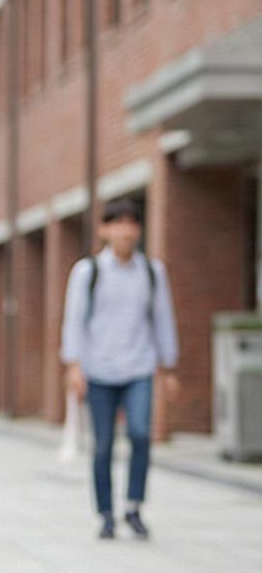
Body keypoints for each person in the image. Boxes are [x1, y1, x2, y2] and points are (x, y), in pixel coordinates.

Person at [61, 197, 179, 540]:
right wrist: (73, 365)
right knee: (103, 444)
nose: (126, 230)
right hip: (98, 369)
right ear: (104, 230)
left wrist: (168, 366)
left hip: (139, 367)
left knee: (141, 434)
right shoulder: (88, 272)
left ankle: (133, 506)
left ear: (139, 230)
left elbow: (162, 320)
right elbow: (74, 322)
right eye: (118, 223)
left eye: (132, 223)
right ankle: (106, 513)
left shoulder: (152, 273)